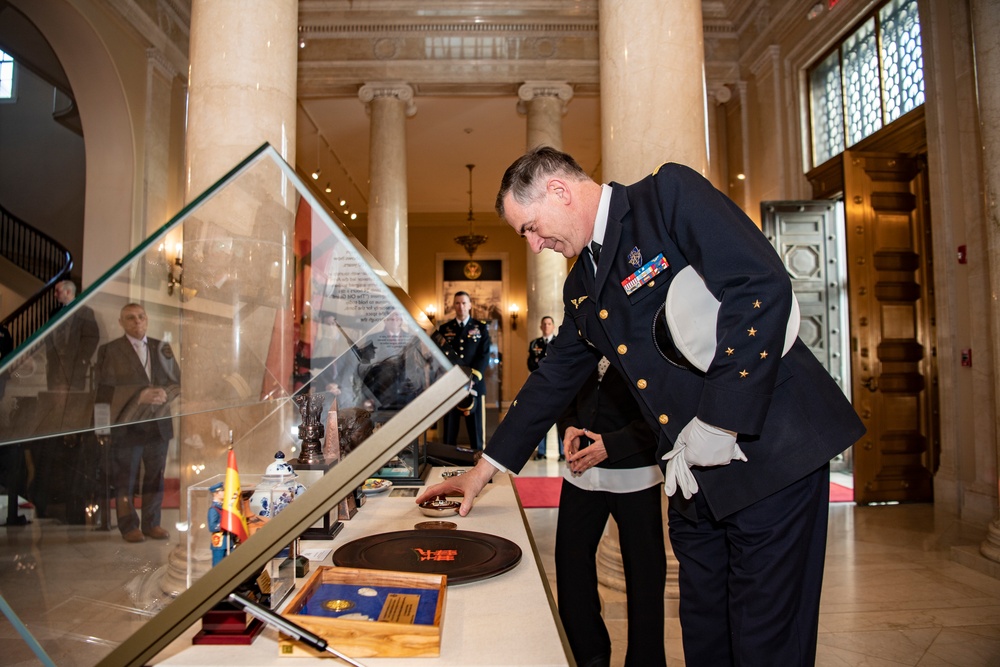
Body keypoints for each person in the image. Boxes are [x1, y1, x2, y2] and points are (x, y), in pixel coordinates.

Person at [417, 146, 866, 665]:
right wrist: (484, 468)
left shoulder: (665, 198)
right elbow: (556, 375)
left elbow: (759, 286)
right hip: (692, 475)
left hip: (771, 453)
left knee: (766, 639)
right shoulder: (581, 281)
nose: (536, 245)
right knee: (704, 634)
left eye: (531, 228)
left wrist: (722, 419)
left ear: (559, 190)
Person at [556, 357, 665, 667]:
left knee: (645, 576)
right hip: (581, 471)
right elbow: (565, 387)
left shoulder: (651, 329)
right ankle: (588, 653)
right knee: (571, 566)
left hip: (635, 469)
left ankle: (646, 660)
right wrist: (568, 427)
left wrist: (614, 444)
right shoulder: (584, 328)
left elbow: (665, 409)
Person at [95, 303, 181, 543]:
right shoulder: (110, 350)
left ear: (147, 319)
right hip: (127, 425)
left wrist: (165, 392)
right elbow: (103, 390)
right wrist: (138, 395)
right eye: (130, 318)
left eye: (141, 317)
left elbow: (177, 380)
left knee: (155, 476)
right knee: (126, 478)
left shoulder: (161, 348)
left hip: (158, 424)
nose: (137, 322)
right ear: (121, 322)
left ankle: (152, 523)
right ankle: (128, 525)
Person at [436, 292, 491, 453]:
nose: (461, 306)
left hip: (474, 385)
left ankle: (478, 464)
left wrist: (472, 378)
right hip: (451, 386)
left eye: (464, 303)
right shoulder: (445, 329)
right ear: (454, 306)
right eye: (457, 303)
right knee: (449, 431)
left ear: (470, 305)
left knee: (476, 431)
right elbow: (440, 355)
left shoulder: (480, 327)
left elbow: (484, 355)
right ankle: (447, 462)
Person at [45, 279, 100, 391]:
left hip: (74, 364)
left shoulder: (85, 312)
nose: (55, 294)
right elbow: (48, 336)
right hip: (55, 363)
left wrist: (82, 360)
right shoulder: (54, 313)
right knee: (53, 396)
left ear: (68, 292)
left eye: (58, 291)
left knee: (73, 398)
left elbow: (92, 338)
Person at [527, 315, 562, 461]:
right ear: (541, 327)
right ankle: (541, 452)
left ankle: (563, 452)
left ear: (553, 327)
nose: (547, 326)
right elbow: (530, 365)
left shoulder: (559, 342)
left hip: (557, 387)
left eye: (549, 324)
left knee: (560, 420)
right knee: (541, 420)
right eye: (544, 324)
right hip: (541, 387)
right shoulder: (534, 343)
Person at [207, 482, 231, 566]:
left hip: (228, 540)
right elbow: (212, 527)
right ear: (216, 494)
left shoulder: (223, 507)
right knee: (218, 565)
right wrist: (223, 525)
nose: (224, 492)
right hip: (219, 541)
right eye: (222, 491)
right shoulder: (213, 509)